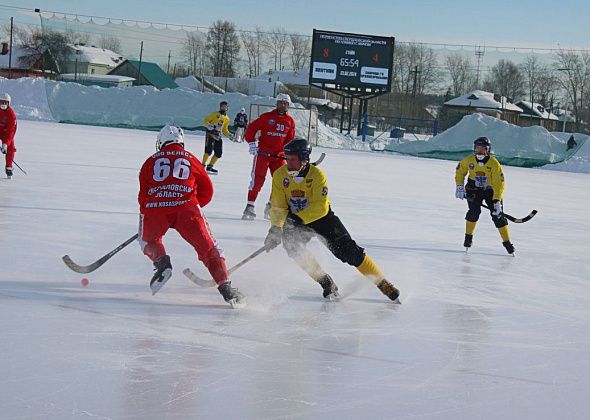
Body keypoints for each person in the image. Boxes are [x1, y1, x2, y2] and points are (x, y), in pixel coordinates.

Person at [263, 138, 400, 302]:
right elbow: (278, 206)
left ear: (304, 159)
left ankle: (382, 283)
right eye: (287, 158)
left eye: (293, 159)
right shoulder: (280, 175)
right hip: (295, 220)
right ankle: (326, 282)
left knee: (351, 253)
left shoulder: (317, 175)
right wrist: (276, 229)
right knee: (293, 248)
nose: (289, 163)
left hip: (322, 219)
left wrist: (295, 220)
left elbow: (320, 207)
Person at [138, 125, 244, 306]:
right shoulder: (191, 159)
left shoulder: (150, 161)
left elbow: (143, 195)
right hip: (187, 209)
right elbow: (208, 190)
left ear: (160, 142)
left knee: (148, 240)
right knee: (210, 249)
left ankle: (162, 261)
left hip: (155, 209)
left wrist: (157, 209)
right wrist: (190, 205)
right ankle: (226, 286)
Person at [455, 136, 515, 255]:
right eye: (477, 148)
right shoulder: (469, 160)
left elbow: (499, 182)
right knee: (473, 212)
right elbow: (460, 171)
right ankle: (468, 238)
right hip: (473, 189)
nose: (480, 151)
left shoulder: (494, 163)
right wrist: (459, 186)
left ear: (488, 150)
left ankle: (507, 243)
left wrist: (497, 200)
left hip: (490, 190)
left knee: (498, 216)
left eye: (483, 148)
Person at [242, 93, 295, 220]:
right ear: (276, 104)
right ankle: (250, 206)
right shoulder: (266, 117)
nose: (283, 105)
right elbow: (251, 128)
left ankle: (271, 206)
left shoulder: (290, 121)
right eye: (280, 103)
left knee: (281, 182)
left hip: (279, 157)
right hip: (263, 155)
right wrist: (251, 142)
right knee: (257, 180)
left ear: (288, 105)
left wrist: (289, 153)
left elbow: (290, 139)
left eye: (285, 103)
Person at [202, 100, 232, 174]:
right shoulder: (215, 114)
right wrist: (209, 126)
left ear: (227, 108)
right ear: (220, 107)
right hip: (210, 134)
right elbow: (205, 121)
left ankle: (210, 166)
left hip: (218, 136)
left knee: (218, 153)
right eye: (222, 106)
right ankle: (202, 165)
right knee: (208, 151)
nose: (224, 108)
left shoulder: (227, 118)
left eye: (225, 107)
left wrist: (230, 135)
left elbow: (224, 129)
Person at [0, 93, 17, 179]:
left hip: (6, 132)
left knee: (11, 147)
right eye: (1, 102)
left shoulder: (11, 115)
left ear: (8, 103)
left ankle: (9, 167)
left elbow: (11, 131)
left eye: (5, 103)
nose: (3, 105)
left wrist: (5, 143)